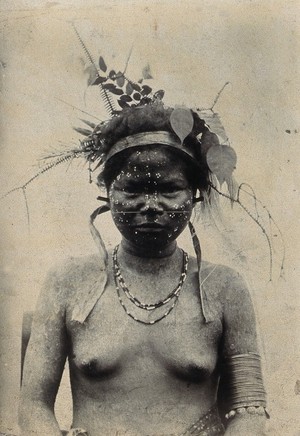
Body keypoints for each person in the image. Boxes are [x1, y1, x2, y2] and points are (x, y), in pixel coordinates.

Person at [18, 68, 268, 435]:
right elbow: (33, 407)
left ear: (194, 195)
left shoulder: (225, 288)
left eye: (169, 189)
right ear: (108, 192)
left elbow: (249, 410)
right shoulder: (66, 282)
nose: (150, 205)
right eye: (133, 189)